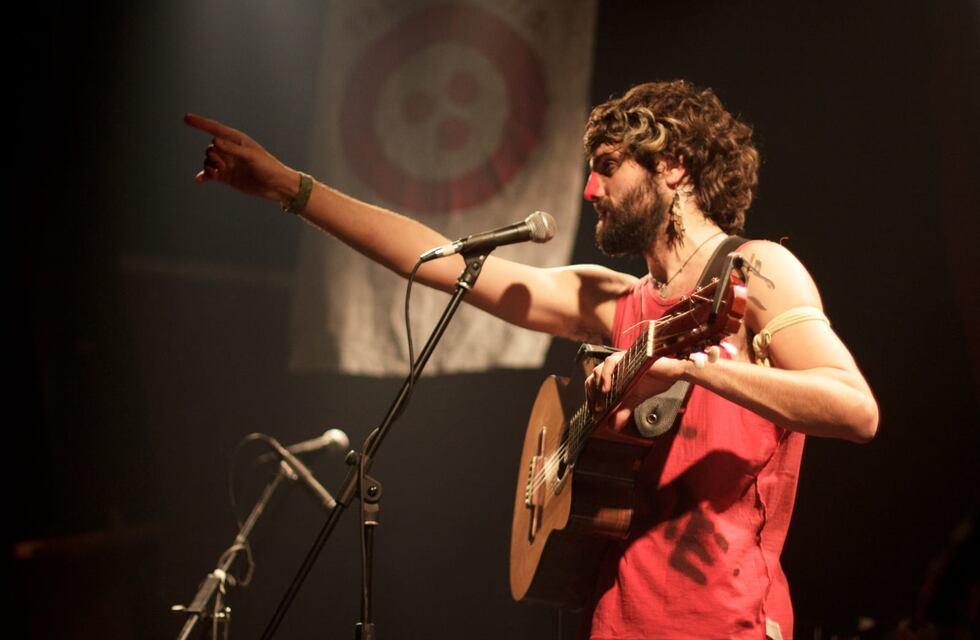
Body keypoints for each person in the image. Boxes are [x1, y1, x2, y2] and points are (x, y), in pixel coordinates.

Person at [186, 79, 878, 639]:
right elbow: (438, 260)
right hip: (613, 621)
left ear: (673, 167)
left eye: (607, 167)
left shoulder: (756, 269)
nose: (590, 191)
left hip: (727, 623)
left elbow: (855, 408)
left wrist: (696, 368)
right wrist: (290, 188)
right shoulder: (611, 300)